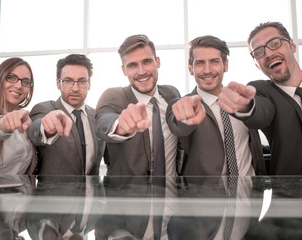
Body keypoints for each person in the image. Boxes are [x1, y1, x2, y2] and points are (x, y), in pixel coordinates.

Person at [219, 21, 302, 176]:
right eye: (258, 52)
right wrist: (245, 106)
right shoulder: (262, 91)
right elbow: (260, 111)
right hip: (297, 197)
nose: (268, 54)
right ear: (256, 64)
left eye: (275, 44)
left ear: (292, 45)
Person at [166, 35, 265, 176]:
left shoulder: (243, 103)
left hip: (250, 194)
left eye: (214, 61)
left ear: (225, 65)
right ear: (190, 69)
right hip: (205, 196)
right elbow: (178, 124)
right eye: (200, 63)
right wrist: (184, 117)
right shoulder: (182, 105)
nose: (207, 70)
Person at [95, 34, 181, 176]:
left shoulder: (172, 93)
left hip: (172, 193)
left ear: (157, 62)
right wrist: (121, 126)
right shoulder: (113, 95)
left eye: (147, 62)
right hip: (130, 195)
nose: (141, 72)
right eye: (132, 65)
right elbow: (102, 121)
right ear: (124, 70)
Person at [28, 54, 105, 175]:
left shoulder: (97, 116)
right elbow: (34, 132)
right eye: (68, 81)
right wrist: (46, 127)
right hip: (53, 193)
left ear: (89, 84)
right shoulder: (43, 109)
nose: (75, 88)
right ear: (58, 83)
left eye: (82, 81)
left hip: (91, 192)